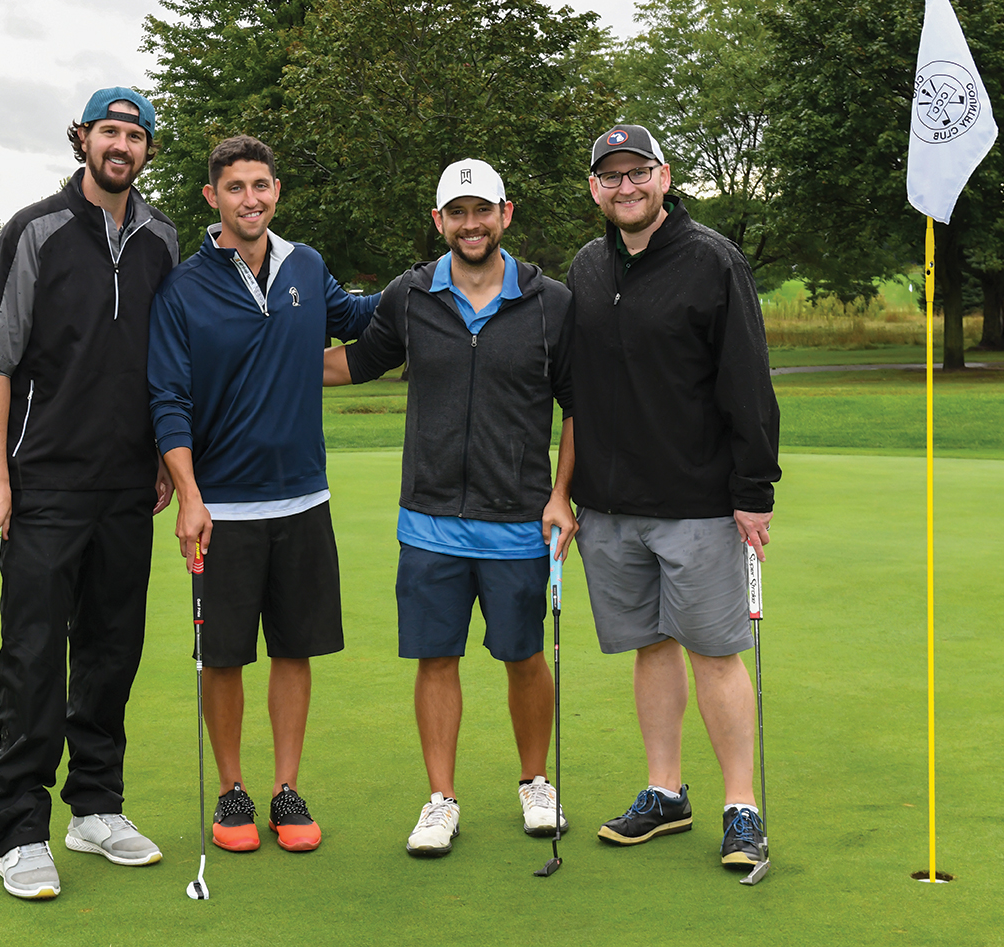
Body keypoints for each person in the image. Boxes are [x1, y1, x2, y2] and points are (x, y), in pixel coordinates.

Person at [323, 159, 575, 858]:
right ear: (439, 221)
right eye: (457, 213)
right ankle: (441, 799)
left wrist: (561, 495)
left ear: (505, 214)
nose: (471, 224)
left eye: (482, 210)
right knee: (435, 658)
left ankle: (536, 782)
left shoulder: (550, 301)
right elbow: (358, 361)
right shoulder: (410, 295)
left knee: (523, 655)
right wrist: (263, 361)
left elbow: (578, 405)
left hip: (518, 519)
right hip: (430, 520)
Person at [0, 87, 179, 900]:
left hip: (127, 485)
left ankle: (95, 806)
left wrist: (162, 457)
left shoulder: (162, 239)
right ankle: (18, 826)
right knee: (32, 657)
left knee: (111, 650)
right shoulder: (36, 230)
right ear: (84, 138)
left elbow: (166, 361)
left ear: (148, 149)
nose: (121, 144)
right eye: (109, 131)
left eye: (135, 134)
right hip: (44, 481)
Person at [557, 123, 780, 871]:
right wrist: (566, 491)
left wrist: (753, 490)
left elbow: (747, 381)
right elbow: (578, 391)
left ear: (664, 176)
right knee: (650, 649)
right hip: (611, 508)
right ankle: (665, 793)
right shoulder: (588, 266)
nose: (625, 187)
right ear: (595, 188)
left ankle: (742, 807)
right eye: (610, 176)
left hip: (698, 503)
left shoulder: (714, 259)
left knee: (715, 653)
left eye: (637, 172)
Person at [148, 135, 379, 854]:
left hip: (303, 500)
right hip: (221, 508)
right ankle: (232, 788)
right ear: (212, 196)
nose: (250, 199)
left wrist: (434, 278)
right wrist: (188, 494)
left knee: (294, 649)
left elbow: (357, 318)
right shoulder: (184, 288)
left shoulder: (305, 264)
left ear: (276, 190)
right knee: (222, 657)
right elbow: (168, 399)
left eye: (260, 185)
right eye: (235, 187)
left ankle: (285, 788)